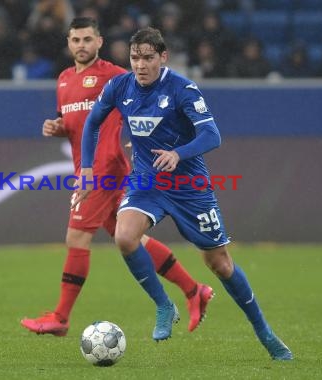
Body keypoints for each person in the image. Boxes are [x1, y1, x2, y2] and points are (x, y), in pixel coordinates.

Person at [74, 26, 292, 360]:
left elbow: (212, 135)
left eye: (148, 58)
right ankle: (164, 305)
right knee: (124, 236)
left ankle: (265, 333)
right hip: (147, 182)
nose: (141, 65)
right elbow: (93, 123)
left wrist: (179, 153)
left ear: (163, 57)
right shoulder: (119, 86)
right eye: (135, 58)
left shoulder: (182, 89)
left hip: (190, 188)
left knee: (219, 263)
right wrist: (87, 169)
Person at [20, 17, 214, 337]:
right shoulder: (65, 79)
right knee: (130, 238)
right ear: (68, 43)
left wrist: (145, 133)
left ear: (99, 42)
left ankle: (61, 317)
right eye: (75, 40)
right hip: (91, 167)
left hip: (105, 169)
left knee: (77, 237)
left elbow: (145, 96)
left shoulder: (114, 75)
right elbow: (79, 124)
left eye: (87, 39)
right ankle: (194, 290)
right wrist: (58, 128)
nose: (81, 45)